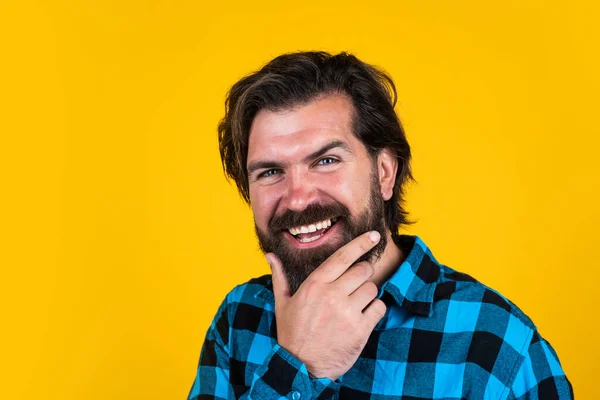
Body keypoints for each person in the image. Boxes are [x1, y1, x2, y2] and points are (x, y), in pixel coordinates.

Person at [187, 51, 572, 399]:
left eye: (326, 161)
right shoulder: (239, 319)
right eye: (270, 171)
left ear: (385, 173)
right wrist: (296, 366)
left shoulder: (498, 343)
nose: (298, 197)